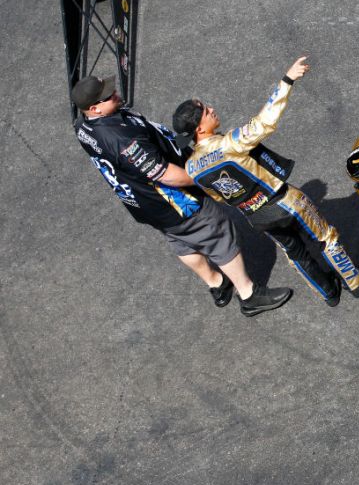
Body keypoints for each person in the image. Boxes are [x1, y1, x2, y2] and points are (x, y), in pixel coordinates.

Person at [72, 75, 293, 317]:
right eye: (108, 95)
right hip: (177, 202)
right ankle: (249, 295)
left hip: (146, 205)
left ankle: (217, 283)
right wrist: (203, 172)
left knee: (182, 242)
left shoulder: (84, 127)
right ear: (95, 108)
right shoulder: (121, 140)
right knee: (217, 233)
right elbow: (165, 175)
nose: (115, 93)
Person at [171, 55, 359, 307]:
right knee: (326, 238)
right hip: (285, 200)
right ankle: (355, 282)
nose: (212, 109)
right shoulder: (228, 143)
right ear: (199, 128)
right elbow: (264, 123)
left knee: (295, 253)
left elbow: (217, 195)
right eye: (205, 111)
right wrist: (287, 80)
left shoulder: (191, 167)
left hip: (256, 216)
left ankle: (328, 294)